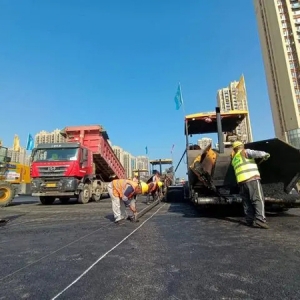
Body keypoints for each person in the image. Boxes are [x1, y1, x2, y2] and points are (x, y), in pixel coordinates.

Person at [231, 141, 270, 229]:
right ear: (241, 146)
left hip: (241, 183)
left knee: (247, 202)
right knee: (258, 199)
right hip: (252, 179)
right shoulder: (245, 152)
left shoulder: (234, 159)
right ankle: (260, 219)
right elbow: (256, 153)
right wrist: (265, 154)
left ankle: (249, 220)